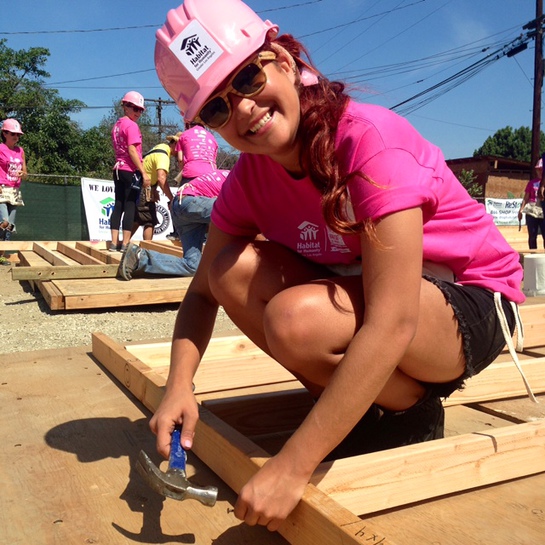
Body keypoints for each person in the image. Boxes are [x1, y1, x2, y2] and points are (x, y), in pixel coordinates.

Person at [150, 0, 526, 531]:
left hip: (470, 298)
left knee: (297, 320)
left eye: (248, 77)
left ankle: (406, 414)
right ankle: (391, 408)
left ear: (281, 58)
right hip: (381, 298)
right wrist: (178, 385)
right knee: (228, 270)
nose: (243, 109)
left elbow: (394, 320)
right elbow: (203, 293)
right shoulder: (249, 183)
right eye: (216, 107)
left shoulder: (368, 142)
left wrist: (292, 466)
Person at [117, 168, 229, 279]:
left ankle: (139, 257)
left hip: (179, 207)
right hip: (190, 201)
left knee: (192, 266)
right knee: (238, 210)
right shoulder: (238, 180)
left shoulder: (228, 175)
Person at [110, 91, 150, 252]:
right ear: (125, 107)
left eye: (140, 109)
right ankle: (125, 244)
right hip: (129, 169)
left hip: (118, 169)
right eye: (135, 108)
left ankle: (114, 243)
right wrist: (143, 172)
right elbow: (132, 150)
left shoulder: (117, 125)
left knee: (118, 204)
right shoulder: (131, 126)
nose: (138, 113)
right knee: (130, 205)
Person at [132, 136, 177, 241]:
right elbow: (161, 178)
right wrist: (172, 198)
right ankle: (147, 249)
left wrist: (154, 189)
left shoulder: (158, 148)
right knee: (149, 220)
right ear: (175, 144)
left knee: (137, 218)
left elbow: (150, 170)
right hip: (144, 189)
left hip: (139, 187)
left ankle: (123, 243)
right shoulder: (163, 156)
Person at [0, 118, 27, 266]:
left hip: (15, 191)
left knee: (10, 225)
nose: (16, 137)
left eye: (18, 134)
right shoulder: (0, 149)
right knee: (3, 221)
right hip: (2, 189)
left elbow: (25, 172)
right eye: (12, 134)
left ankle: (1, 255)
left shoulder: (20, 151)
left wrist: (22, 174)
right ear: (4, 133)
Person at [518, 159, 545, 249]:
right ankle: (533, 255)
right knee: (532, 235)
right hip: (532, 210)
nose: (540, 171)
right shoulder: (531, 183)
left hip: (543, 210)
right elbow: (526, 198)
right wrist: (521, 210)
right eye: (538, 169)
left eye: (542, 169)